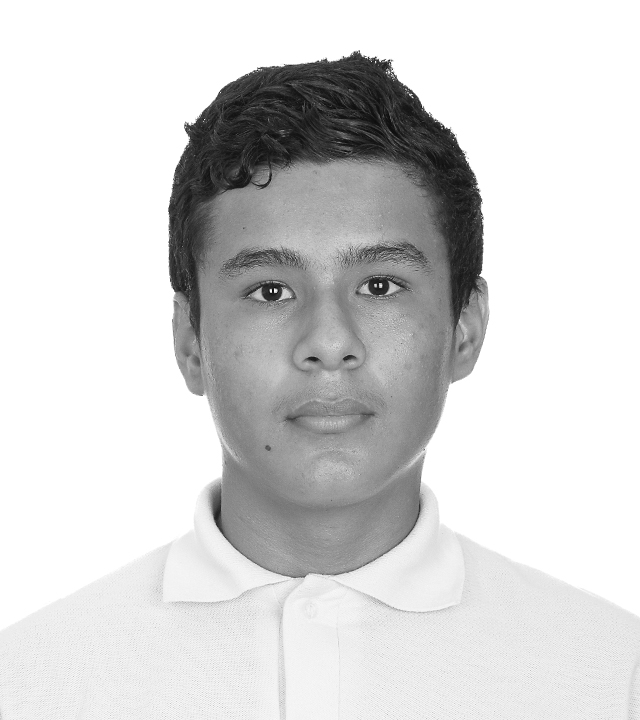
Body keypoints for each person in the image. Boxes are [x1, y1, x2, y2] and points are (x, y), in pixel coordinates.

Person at [0, 51, 638, 719]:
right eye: (270, 291)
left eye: (380, 286)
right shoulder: (28, 686)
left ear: (466, 327)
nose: (329, 342)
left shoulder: (613, 677)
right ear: (190, 339)